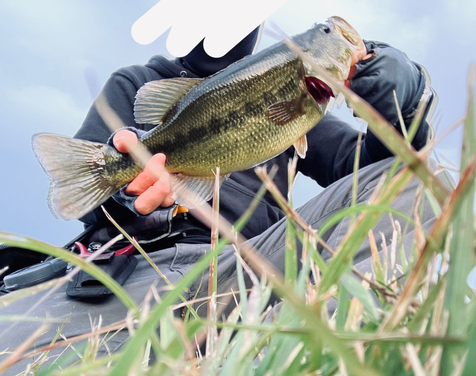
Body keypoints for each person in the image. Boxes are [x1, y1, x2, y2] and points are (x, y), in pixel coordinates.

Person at [0, 20, 438, 372]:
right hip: (125, 273)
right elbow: (87, 192)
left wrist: (407, 108)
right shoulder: (138, 81)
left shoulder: (299, 95)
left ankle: (283, 336)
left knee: (417, 178)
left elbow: (375, 170)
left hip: (250, 271)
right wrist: (129, 199)